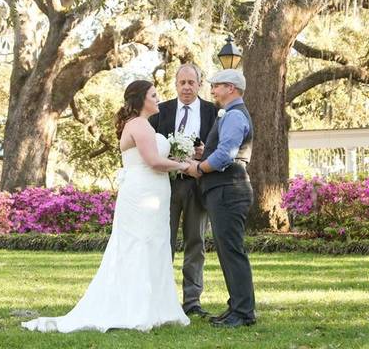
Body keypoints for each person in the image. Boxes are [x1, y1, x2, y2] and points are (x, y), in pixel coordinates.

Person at [22, 80, 192, 333]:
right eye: (154, 95)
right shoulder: (139, 125)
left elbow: (154, 159)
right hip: (143, 193)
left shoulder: (139, 125)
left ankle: (156, 307)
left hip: (150, 192)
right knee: (140, 245)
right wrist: (185, 166)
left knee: (152, 244)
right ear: (141, 100)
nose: (158, 99)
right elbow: (154, 161)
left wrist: (180, 159)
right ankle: (137, 309)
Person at [185, 68, 256, 328]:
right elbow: (221, 149)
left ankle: (244, 312)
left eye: (217, 86)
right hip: (224, 190)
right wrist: (205, 152)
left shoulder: (235, 115)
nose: (212, 90)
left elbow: (227, 154)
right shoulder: (229, 114)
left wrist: (199, 168)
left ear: (231, 88)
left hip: (229, 190)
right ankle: (236, 306)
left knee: (232, 251)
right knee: (227, 251)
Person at [149, 62, 217, 318]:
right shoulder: (161, 110)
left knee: (195, 243)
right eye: (182, 83)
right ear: (176, 85)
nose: (187, 87)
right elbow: (150, 146)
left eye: (191, 82)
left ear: (199, 84)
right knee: (162, 241)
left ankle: (192, 301)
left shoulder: (212, 111)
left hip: (198, 185)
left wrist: (204, 153)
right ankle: (161, 298)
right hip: (165, 185)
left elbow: (219, 149)